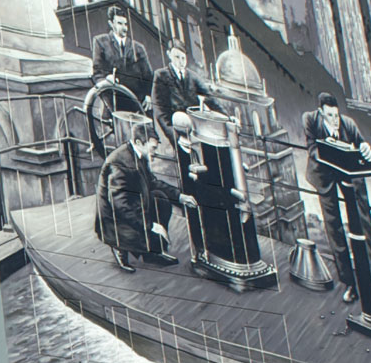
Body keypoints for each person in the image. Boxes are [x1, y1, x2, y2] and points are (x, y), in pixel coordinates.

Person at [303, 94, 371, 316]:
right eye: (330, 116)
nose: (335, 120)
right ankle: (349, 283)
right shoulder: (310, 120)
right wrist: (331, 151)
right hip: (324, 175)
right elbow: (312, 149)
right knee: (333, 227)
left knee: (365, 228)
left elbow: (362, 145)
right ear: (322, 113)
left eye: (337, 115)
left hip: (350, 174)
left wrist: (366, 150)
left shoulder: (348, 124)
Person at [173, 111, 269, 287]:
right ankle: (206, 251)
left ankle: (231, 256)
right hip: (207, 195)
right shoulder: (191, 150)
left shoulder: (202, 148)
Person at [95, 119, 178, 273]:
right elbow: (120, 204)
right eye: (152, 147)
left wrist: (179, 196)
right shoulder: (119, 163)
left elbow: (152, 183)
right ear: (139, 142)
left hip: (132, 201)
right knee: (131, 230)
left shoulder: (138, 155)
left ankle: (153, 252)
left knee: (161, 199)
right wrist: (151, 225)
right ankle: (120, 249)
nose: (155, 151)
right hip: (115, 217)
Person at [150, 41, 217, 144]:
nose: (181, 62)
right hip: (174, 132)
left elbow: (211, 99)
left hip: (194, 131)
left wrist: (228, 118)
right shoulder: (160, 76)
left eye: (183, 58)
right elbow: (159, 111)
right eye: (177, 57)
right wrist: (175, 137)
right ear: (169, 55)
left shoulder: (193, 77)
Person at [90, 8, 154, 104]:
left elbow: (148, 76)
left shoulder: (138, 47)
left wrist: (149, 96)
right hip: (113, 100)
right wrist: (106, 80)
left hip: (137, 102)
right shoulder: (100, 42)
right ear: (111, 24)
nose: (124, 28)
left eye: (126, 24)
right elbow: (97, 73)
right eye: (120, 23)